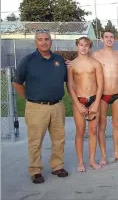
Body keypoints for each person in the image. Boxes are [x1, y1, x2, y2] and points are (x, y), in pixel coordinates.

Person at [13, 29, 69, 184]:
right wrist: (29, 98)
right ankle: (35, 170)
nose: (44, 42)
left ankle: (57, 166)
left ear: (51, 41)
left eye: (47, 39)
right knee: (35, 141)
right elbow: (17, 83)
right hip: (36, 107)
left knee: (59, 139)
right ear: (35, 42)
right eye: (40, 39)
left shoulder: (59, 60)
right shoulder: (28, 60)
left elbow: (66, 80)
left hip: (57, 105)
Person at [67, 37, 104, 172]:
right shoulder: (72, 65)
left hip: (94, 100)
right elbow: (70, 86)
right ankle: (81, 162)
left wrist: (96, 103)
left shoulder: (96, 64)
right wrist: (77, 104)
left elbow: (100, 85)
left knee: (93, 131)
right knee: (80, 132)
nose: (83, 47)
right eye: (81, 45)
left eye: (86, 45)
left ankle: (92, 160)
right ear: (77, 46)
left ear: (90, 47)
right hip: (79, 100)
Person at [90, 30, 118, 166]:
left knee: (116, 125)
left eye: (111, 37)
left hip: (117, 94)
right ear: (101, 39)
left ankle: (117, 153)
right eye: (106, 37)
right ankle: (104, 156)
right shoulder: (95, 55)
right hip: (102, 96)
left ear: (114, 40)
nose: (109, 39)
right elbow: (82, 60)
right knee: (102, 126)